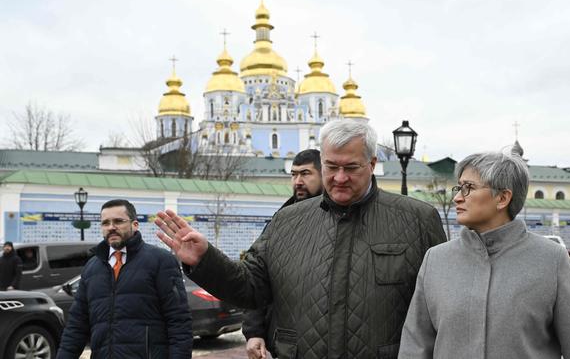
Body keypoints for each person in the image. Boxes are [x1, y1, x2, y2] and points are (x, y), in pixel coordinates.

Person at [155, 119, 447, 359]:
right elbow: (251, 289)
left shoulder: (417, 220)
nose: (340, 177)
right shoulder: (288, 221)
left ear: (371, 163)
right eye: (332, 167)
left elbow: (441, 310)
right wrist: (206, 261)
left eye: (351, 167)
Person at [399, 152, 570, 359]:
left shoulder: (551, 259)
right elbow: (415, 344)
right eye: (459, 187)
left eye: (469, 188)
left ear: (502, 198)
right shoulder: (436, 260)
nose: (457, 197)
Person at [57, 199, 192, 359]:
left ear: (135, 225)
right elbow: (76, 326)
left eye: (118, 221)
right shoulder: (92, 268)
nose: (111, 227)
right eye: (105, 223)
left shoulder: (160, 261)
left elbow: (178, 322)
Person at [244, 149, 323, 359]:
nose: (298, 181)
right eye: (294, 174)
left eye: (305, 174)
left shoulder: (338, 217)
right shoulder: (281, 221)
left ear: (324, 174)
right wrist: (254, 332)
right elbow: (259, 278)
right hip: (289, 344)